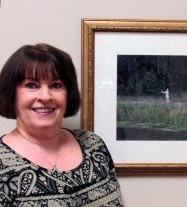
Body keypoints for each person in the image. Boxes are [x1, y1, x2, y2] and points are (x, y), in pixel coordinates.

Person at [0, 43, 123, 206]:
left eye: (56, 85)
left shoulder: (94, 145)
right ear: (12, 93)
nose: (45, 96)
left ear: (68, 93)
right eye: (31, 85)